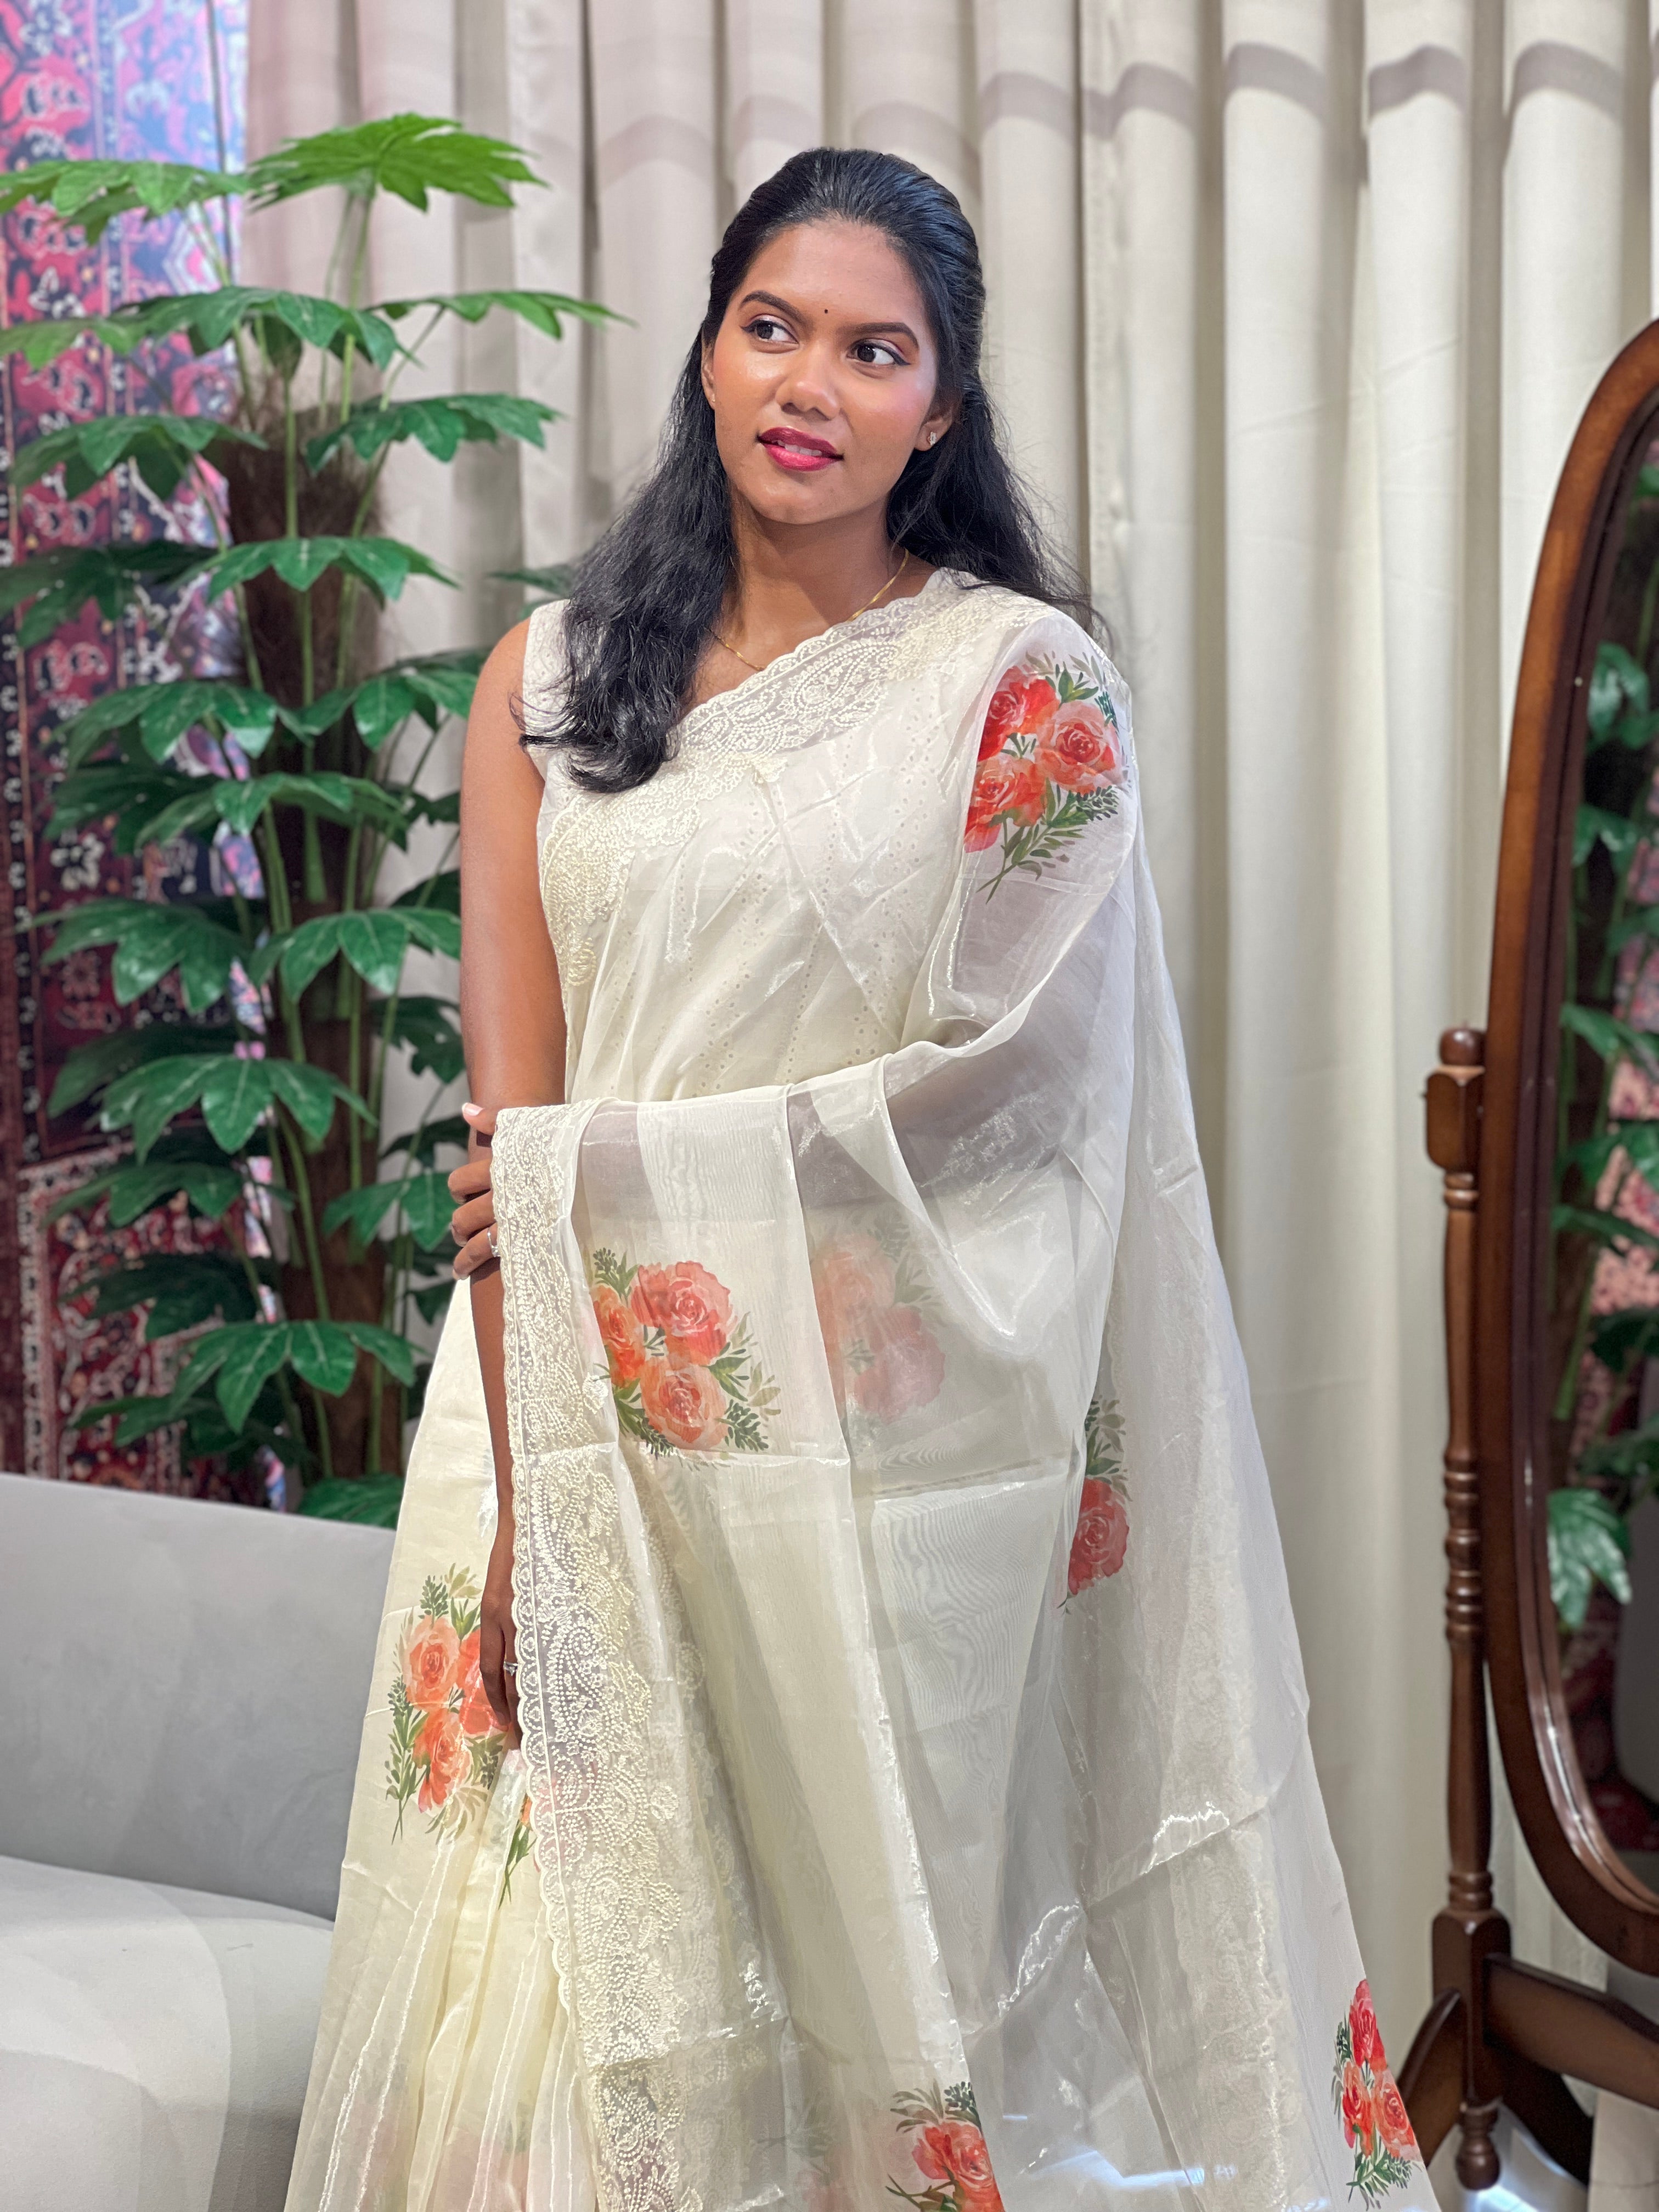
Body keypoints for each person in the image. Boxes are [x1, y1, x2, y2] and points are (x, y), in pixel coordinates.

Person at [286, 149, 1426, 2212]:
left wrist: (595, 1181)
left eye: (873, 350)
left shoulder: (1016, 689)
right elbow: (508, 1146)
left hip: (871, 1470)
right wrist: (535, 1491)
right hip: (560, 1433)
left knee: (857, 2015)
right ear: (710, 354)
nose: (810, 382)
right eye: (772, 327)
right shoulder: (549, 686)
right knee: (525, 2021)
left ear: (943, 408)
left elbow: (1012, 1102)